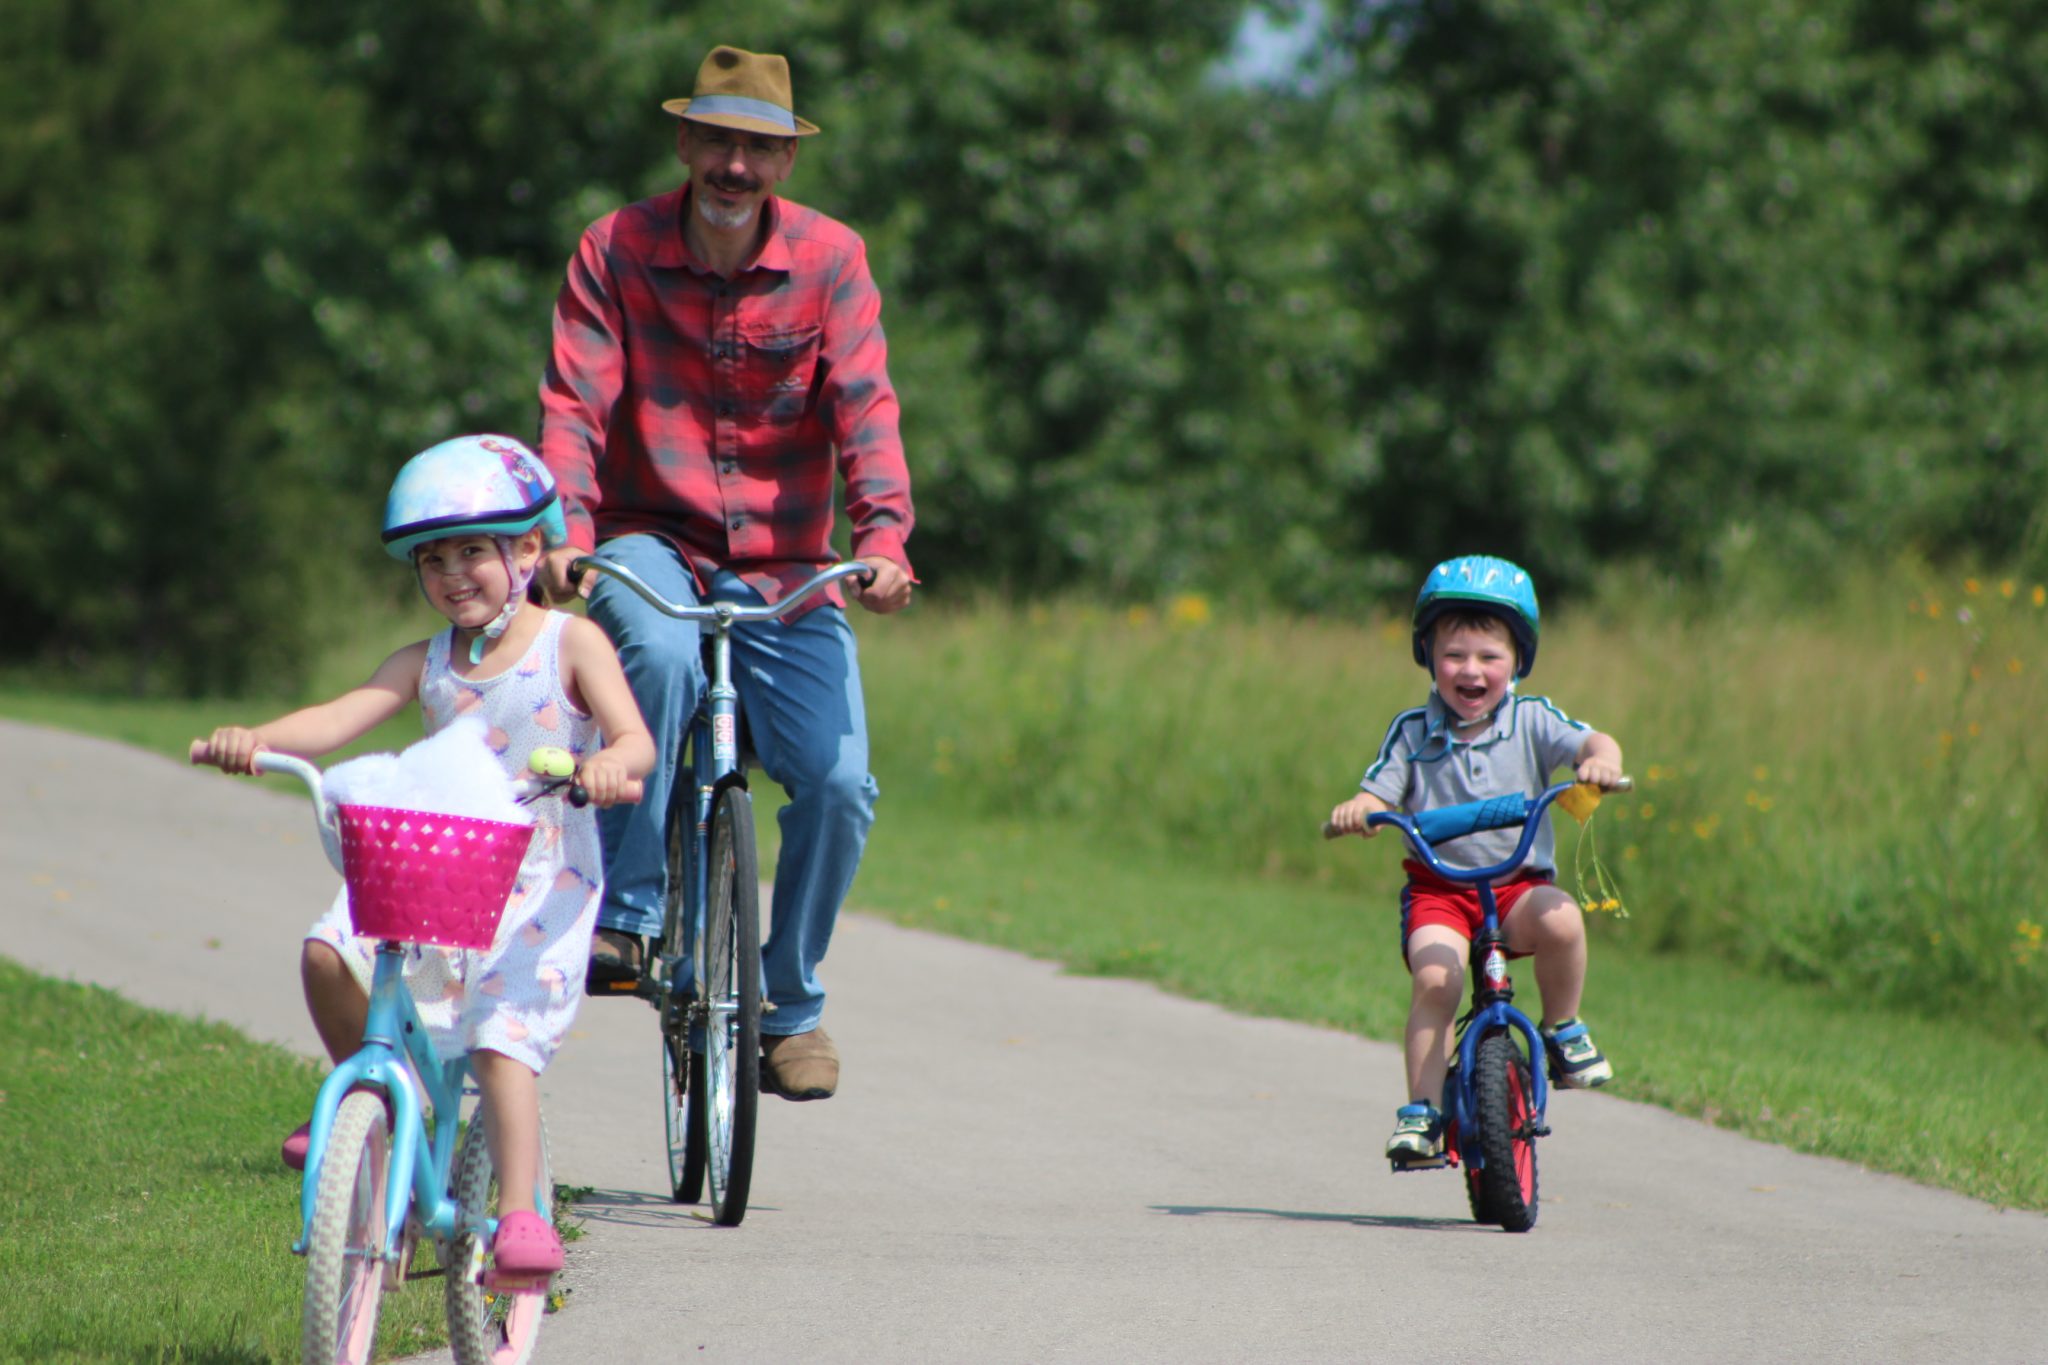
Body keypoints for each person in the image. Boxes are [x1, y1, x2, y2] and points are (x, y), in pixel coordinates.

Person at [534, 44, 914, 1102]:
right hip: (649, 536)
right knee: (647, 652)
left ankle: (787, 1008)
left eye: (758, 148)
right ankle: (632, 914)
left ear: (784, 161)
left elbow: (864, 408)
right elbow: (576, 402)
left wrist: (881, 542)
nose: (735, 167)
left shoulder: (831, 259)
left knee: (838, 785)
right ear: (684, 143)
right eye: (718, 142)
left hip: (790, 560)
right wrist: (566, 533)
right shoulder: (615, 248)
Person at [192, 434, 654, 1285]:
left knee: (498, 1038)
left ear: (527, 550)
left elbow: (635, 740)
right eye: (432, 559)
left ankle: (520, 1216)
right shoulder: (428, 660)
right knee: (328, 951)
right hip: (439, 862)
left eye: (474, 551)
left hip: (539, 878)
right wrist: (254, 740)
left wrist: (608, 764)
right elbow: (338, 716)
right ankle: (367, 1095)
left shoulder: (571, 644)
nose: (451, 574)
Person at [1326, 554, 1625, 1165]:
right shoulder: (1412, 732)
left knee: (1564, 919)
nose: (1471, 670)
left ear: (1518, 662)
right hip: (1440, 892)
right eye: (1454, 655)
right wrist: (1359, 808)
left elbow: (1592, 740)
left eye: (1489, 657)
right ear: (1428, 658)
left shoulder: (1532, 720)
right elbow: (1379, 789)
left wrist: (1601, 763)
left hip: (1516, 888)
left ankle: (1563, 1029)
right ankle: (1422, 1114)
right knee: (1436, 982)